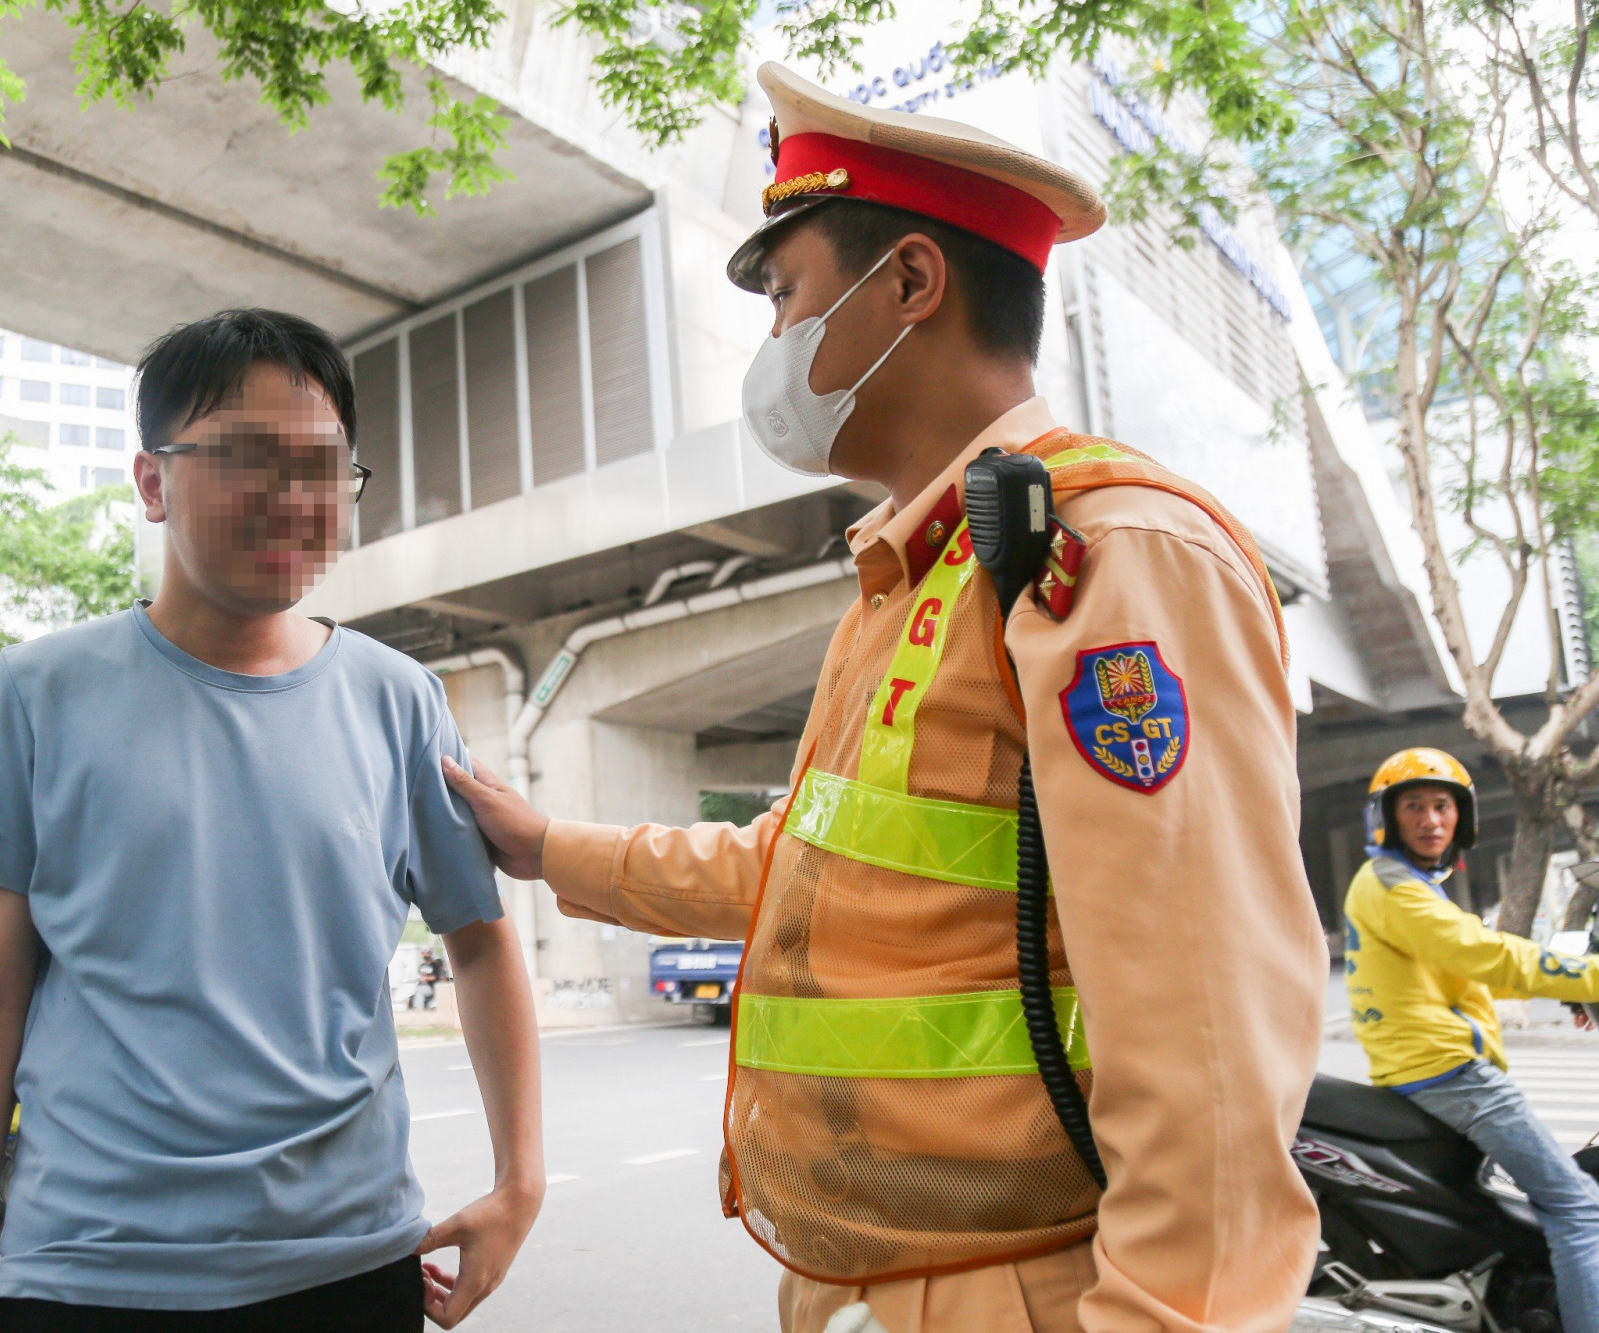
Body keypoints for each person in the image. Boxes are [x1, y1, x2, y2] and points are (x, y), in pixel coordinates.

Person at [443, 61, 1328, 1333]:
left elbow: (1207, 1023)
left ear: (908, 282)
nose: (772, 343)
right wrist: (549, 848)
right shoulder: (920, 565)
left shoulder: (1110, 549)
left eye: (788, 294)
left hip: (1027, 1295)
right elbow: (809, 874)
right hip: (871, 1288)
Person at [0, 309, 543, 1333]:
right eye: (251, 461)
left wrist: (519, 1180)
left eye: (323, 469)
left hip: (348, 1263)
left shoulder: (398, 701)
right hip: (87, 1268)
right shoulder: (37, 695)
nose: (294, 500)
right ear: (152, 480)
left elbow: (478, 945)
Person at [1345, 747, 1599, 1332]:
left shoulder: (1408, 884)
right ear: (1385, 815)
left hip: (1432, 1068)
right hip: (1453, 1075)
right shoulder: (1391, 884)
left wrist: (1568, 989)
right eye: (1414, 806)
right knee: (1578, 1208)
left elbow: (1466, 973)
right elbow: (1485, 953)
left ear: (1462, 817)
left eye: (1442, 806)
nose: (1431, 820)